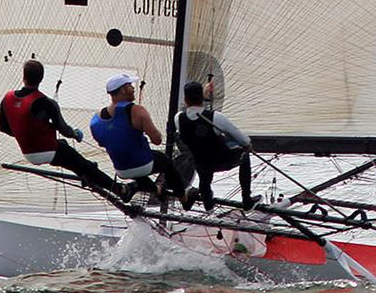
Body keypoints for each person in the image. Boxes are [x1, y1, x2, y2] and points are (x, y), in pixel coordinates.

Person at [0, 59, 125, 198]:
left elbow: (5, 128)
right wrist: (76, 134)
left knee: (66, 150)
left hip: (28, 153)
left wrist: (25, 133)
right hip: (48, 151)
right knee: (83, 164)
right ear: (41, 79)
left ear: (23, 77)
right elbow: (64, 130)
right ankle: (119, 189)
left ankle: (87, 174)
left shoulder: (7, 98)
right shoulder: (46, 102)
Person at [90, 73, 191, 204]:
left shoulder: (96, 120)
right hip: (143, 164)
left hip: (121, 170)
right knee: (165, 162)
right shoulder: (137, 111)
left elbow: (102, 143)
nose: (134, 88)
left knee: (134, 163)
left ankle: (150, 189)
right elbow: (157, 140)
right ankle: (184, 199)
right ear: (122, 90)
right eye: (130, 86)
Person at [175, 80, 260, 211]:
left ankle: (208, 204)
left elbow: (190, 114)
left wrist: (204, 91)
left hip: (201, 164)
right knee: (244, 154)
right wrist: (247, 145)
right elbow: (244, 141)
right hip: (223, 162)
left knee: (203, 169)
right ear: (202, 98)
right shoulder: (216, 117)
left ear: (185, 99)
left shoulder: (178, 119)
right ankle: (247, 200)